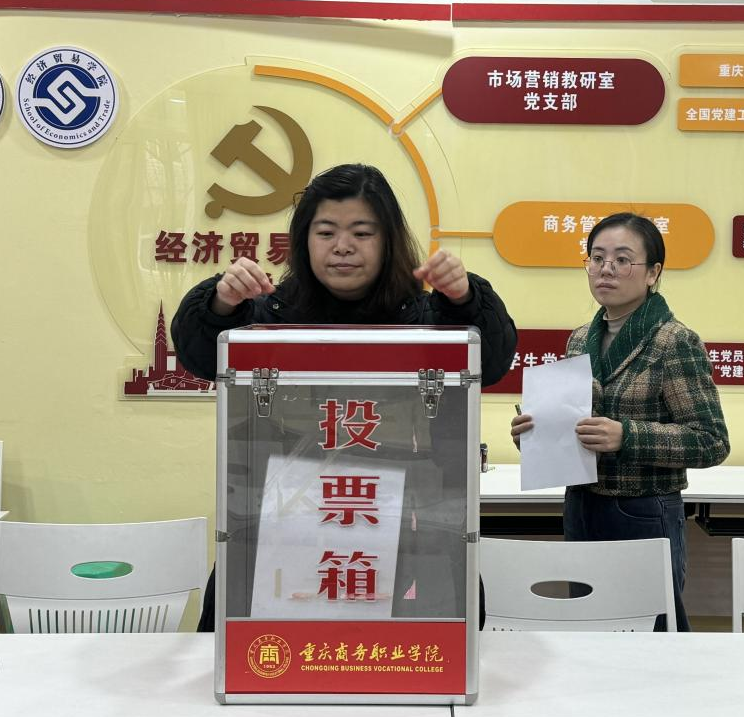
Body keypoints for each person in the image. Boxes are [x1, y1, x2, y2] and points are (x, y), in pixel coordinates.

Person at [173, 162, 516, 634]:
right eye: (326, 231)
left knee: (398, 662)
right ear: (304, 240)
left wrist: (466, 298)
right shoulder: (268, 314)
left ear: (389, 240)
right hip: (282, 528)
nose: (342, 246)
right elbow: (197, 354)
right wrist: (219, 302)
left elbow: (492, 361)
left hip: (407, 531)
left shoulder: (427, 315)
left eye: (362, 232)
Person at [510, 212, 728, 631]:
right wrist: (535, 434)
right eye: (597, 258)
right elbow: (576, 424)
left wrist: (626, 436)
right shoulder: (580, 338)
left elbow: (711, 440)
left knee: (650, 634)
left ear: (653, 273)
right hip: (581, 504)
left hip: (643, 509)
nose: (606, 269)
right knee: (588, 629)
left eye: (622, 259)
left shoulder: (673, 341)